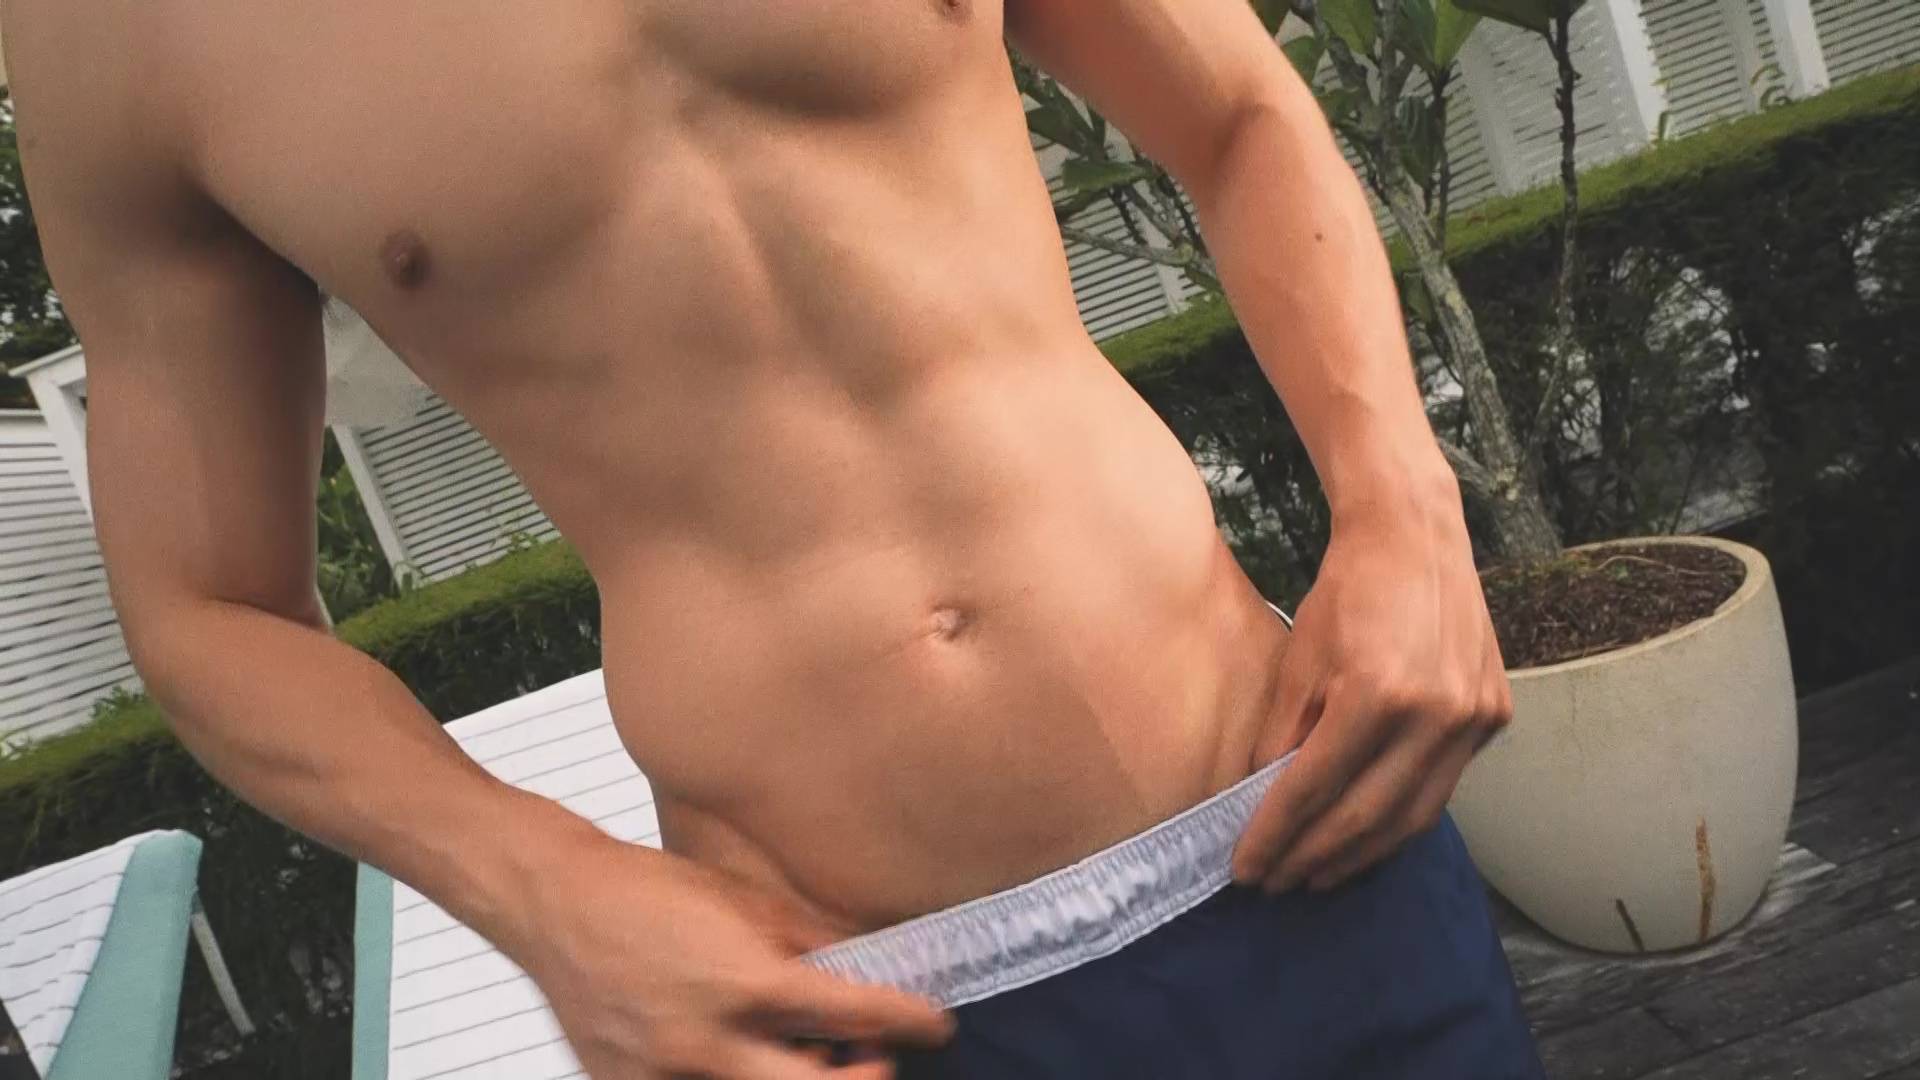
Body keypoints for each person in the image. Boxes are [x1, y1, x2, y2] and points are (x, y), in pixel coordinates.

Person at [3, 0, 1543, 1076]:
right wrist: (545, 890)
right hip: (854, 1006)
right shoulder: (112, 30)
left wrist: (1406, 511)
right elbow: (206, 605)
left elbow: (1239, 112)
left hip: (1293, 818)